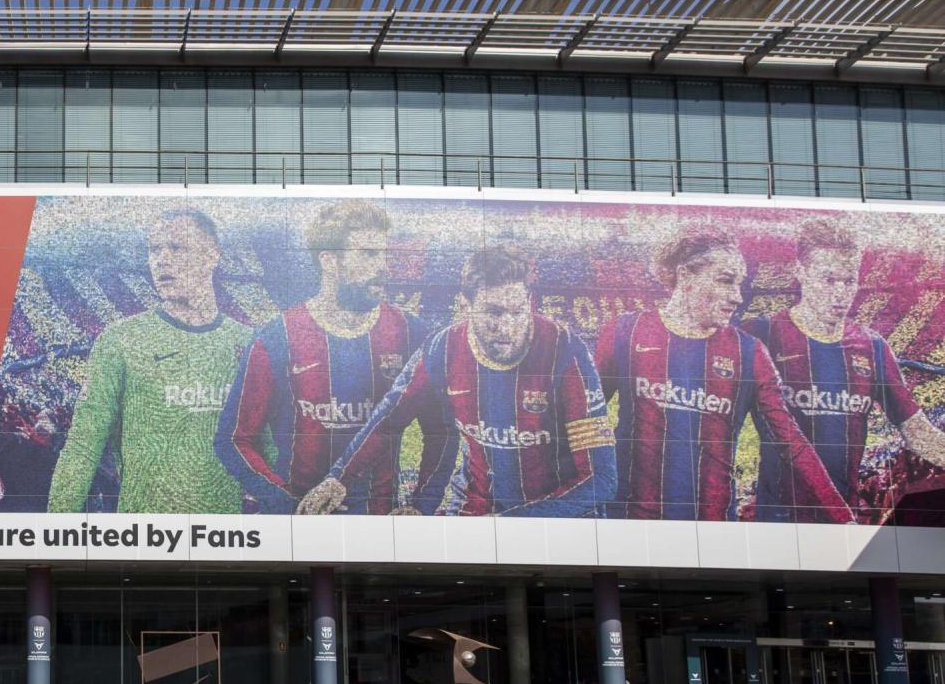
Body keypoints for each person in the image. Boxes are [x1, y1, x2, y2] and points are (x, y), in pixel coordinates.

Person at [299, 246, 616, 517]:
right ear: (466, 306)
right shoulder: (443, 348)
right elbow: (389, 418)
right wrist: (339, 477)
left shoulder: (566, 351)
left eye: (518, 312)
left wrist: (514, 525)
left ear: (529, 303)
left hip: (557, 517)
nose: (507, 327)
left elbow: (601, 480)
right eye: (493, 313)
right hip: (479, 509)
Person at [595, 228, 852, 522]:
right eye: (725, 281)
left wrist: (843, 517)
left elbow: (791, 442)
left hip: (711, 530)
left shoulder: (749, 351)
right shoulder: (626, 331)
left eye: (739, 284)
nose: (737, 296)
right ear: (685, 276)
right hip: (627, 523)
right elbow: (580, 422)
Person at [215, 201, 452, 514]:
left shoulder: (413, 334)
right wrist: (283, 504)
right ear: (329, 260)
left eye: (383, 254)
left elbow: (443, 431)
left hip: (379, 527)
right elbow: (233, 439)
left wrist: (422, 504)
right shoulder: (277, 336)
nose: (382, 266)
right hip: (297, 525)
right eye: (368, 254)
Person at [47, 208, 253, 514]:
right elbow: (82, 447)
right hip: (143, 541)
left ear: (212, 257)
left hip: (225, 541)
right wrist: (55, 531)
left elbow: (268, 448)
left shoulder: (248, 343)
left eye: (177, 248)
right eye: (154, 250)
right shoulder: (120, 340)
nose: (162, 260)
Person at [744, 219, 945, 522]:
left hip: (842, 519)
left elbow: (918, 433)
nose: (840, 293)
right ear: (801, 272)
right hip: (777, 520)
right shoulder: (763, 334)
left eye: (848, 280)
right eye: (828, 280)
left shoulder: (871, 346)